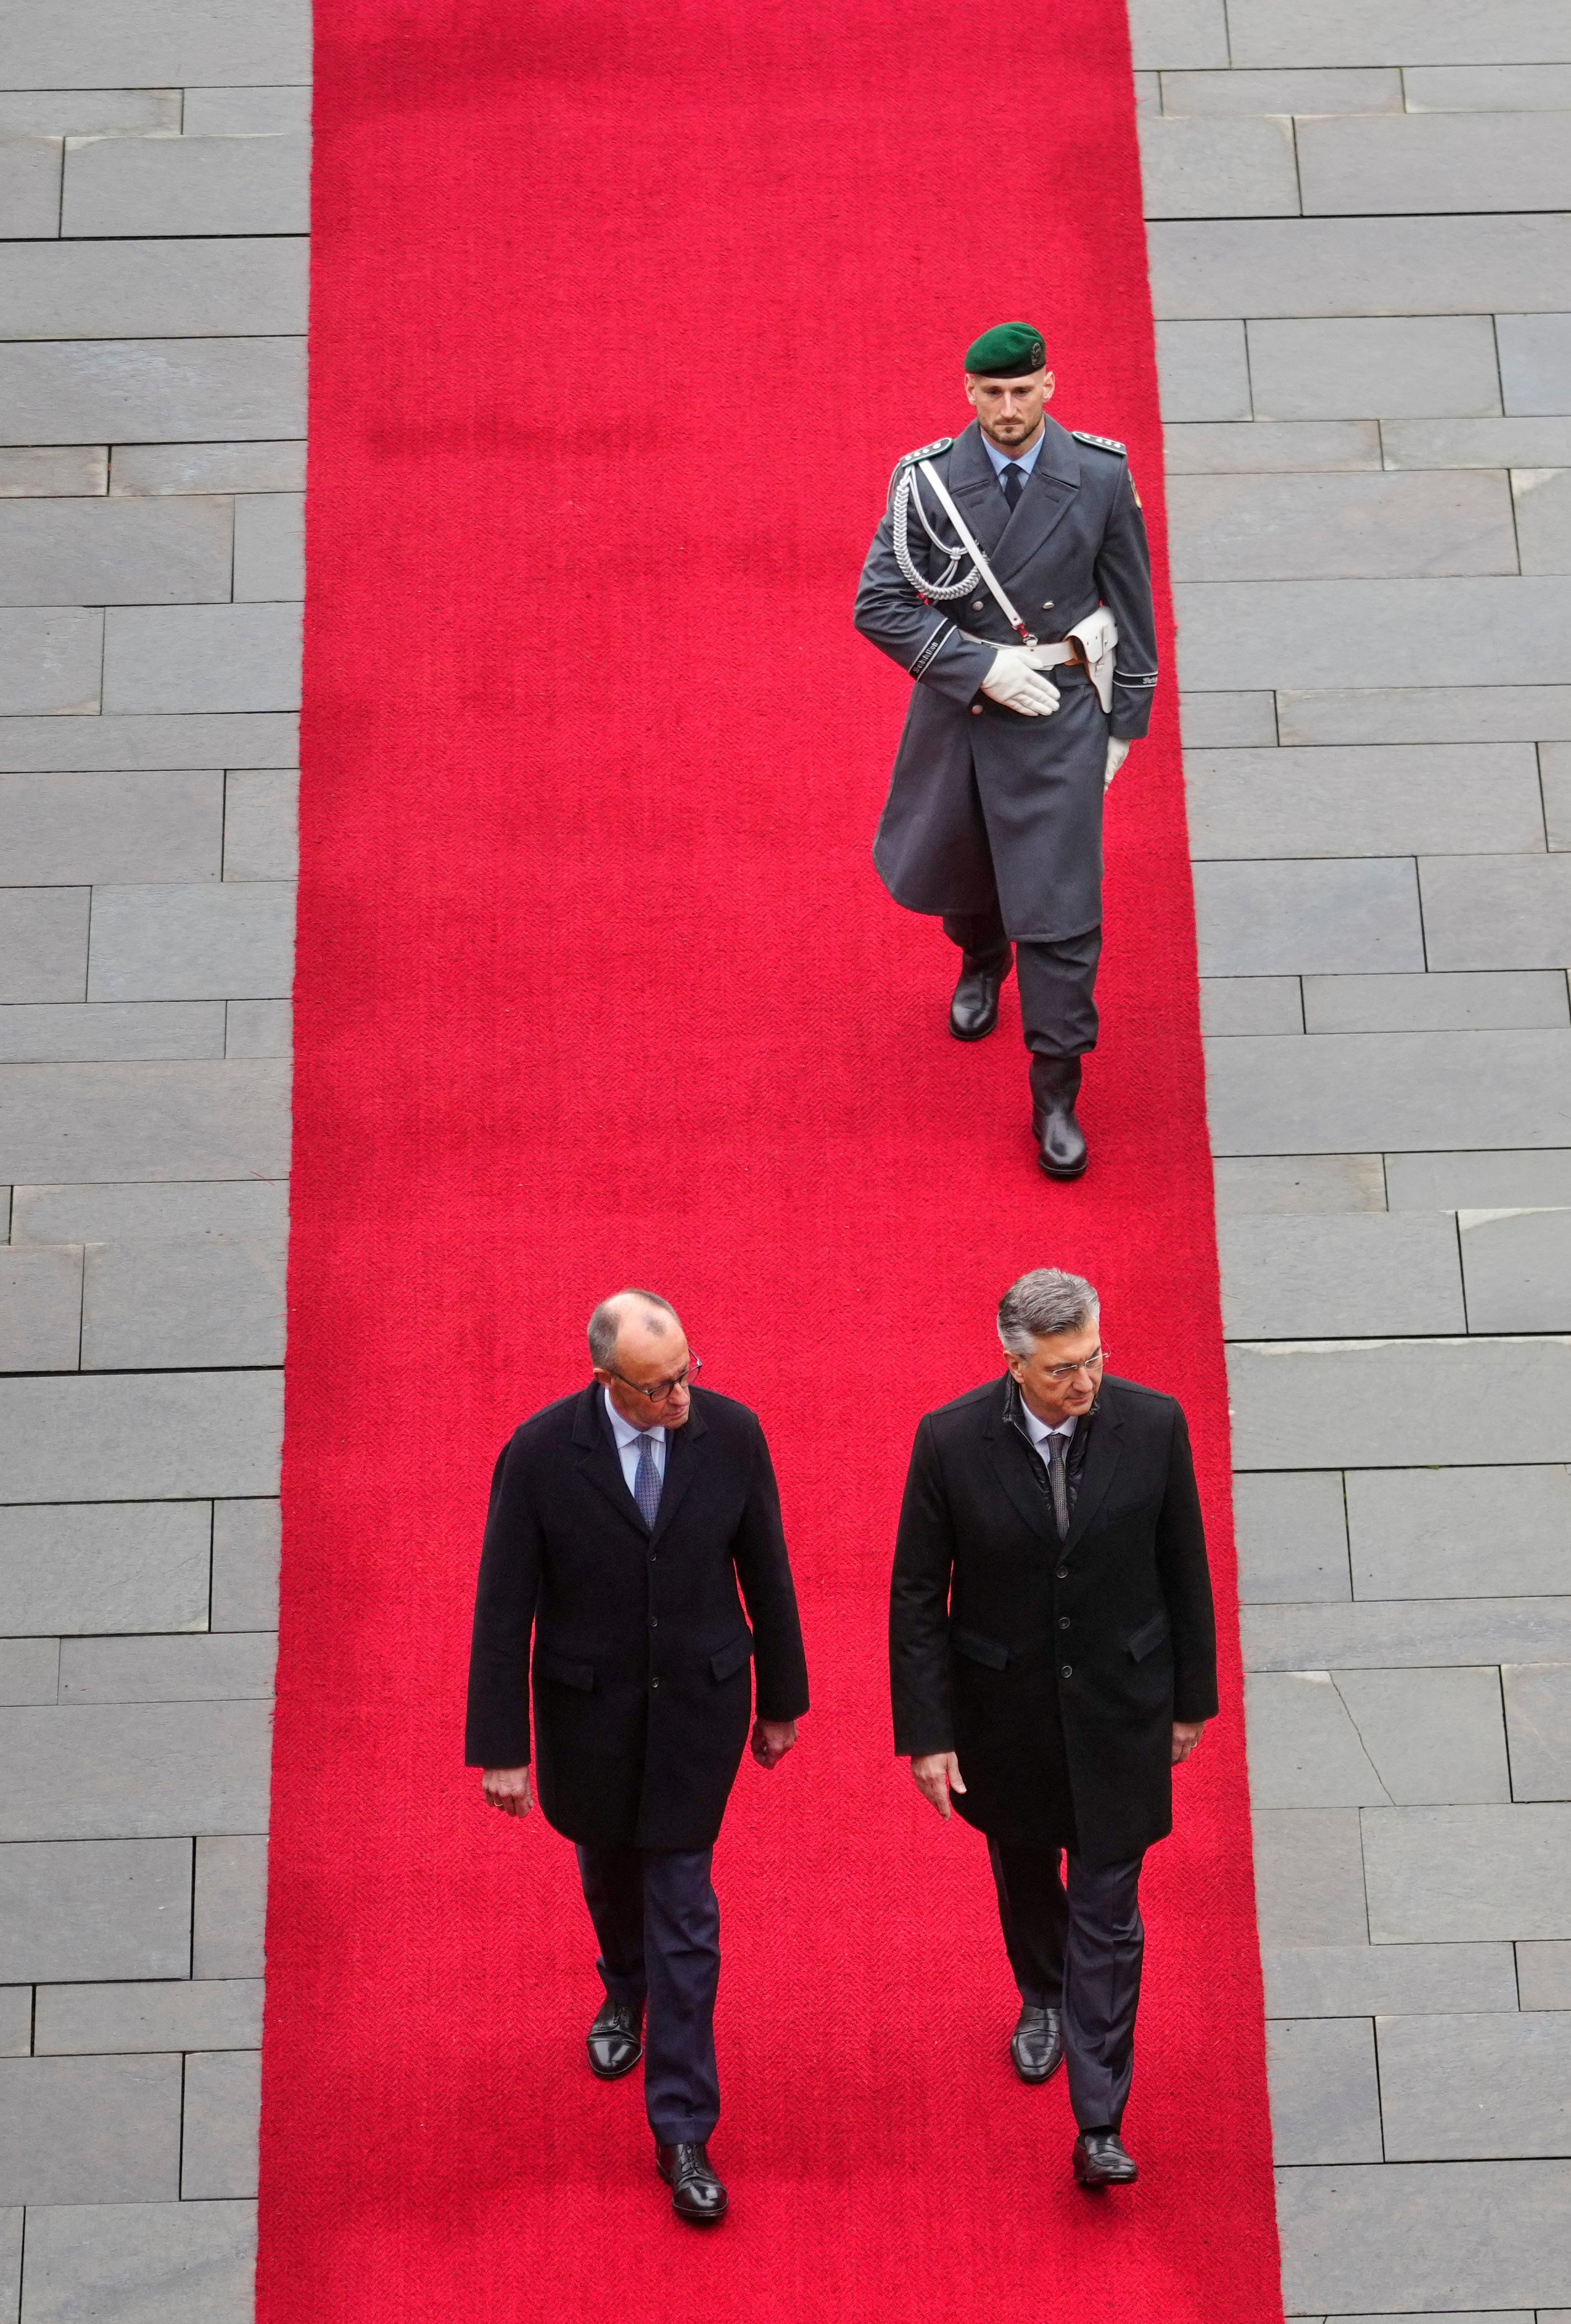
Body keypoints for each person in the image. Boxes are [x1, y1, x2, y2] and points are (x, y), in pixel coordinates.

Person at [463, 1290, 809, 2227]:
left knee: (685, 1913)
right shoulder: (538, 1455)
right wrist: (503, 1750)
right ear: (606, 1381)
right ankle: (624, 1987)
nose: (681, 1399)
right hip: (588, 1720)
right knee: (612, 1875)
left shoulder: (732, 1435)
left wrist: (782, 1698)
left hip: (699, 1711)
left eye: (688, 1374)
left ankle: (684, 2129)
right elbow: (503, 1609)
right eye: (658, 1388)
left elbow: (767, 1567)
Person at [889, 1268, 1222, 2189]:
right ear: (1014, 1363)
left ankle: (1099, 2119)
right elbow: (919, 1593)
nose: (1086, 1383)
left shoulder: (1152, 1425)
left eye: (1094, 1358)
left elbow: (1182, 1562)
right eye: (1064, 1369)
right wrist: (928, 1729)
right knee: (1027, 1871)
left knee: (1110, 1915)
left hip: (1123, 1708)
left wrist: (1193, 1697)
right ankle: (1040, 1992)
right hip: (1006, 1715)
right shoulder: (949, 1441)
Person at [854, 321, 1164, 1184]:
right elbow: (879, 604)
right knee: (967, 863)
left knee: (1060, 908)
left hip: (1061, 708)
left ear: (1049, 387)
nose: (1007, 408)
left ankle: (1055, 1090)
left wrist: (1124, 722)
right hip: (964, 709)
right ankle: (980, 956)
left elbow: (1132, 599)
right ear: (967, 392)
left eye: (1021, 391)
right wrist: (981, 666)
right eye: (990, 393)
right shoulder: (926, 484)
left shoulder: (1099, 475)